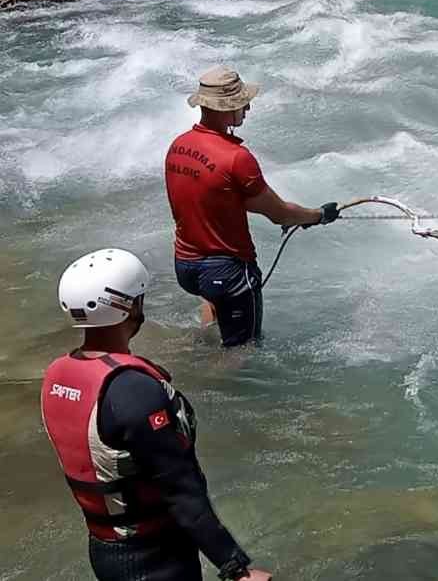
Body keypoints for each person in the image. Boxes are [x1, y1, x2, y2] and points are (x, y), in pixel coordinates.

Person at [41, 248, 273, 581]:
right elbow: (180, 488)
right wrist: (235, 568)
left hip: (105, 550)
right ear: (130, 307)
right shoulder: (132, 390)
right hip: (157, 558)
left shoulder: (58, 375)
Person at [164, 66, 338, 347]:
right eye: (242, 103)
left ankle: (205, 345)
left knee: (214, 310)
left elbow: (226, 198)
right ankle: (205, 384)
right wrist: (317, 215)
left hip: (186, 266)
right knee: (243, 351)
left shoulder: (178, 146)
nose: (248, 107)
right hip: (228, 272)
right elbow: (277, 213)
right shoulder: (236, 158)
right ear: (226, 108)